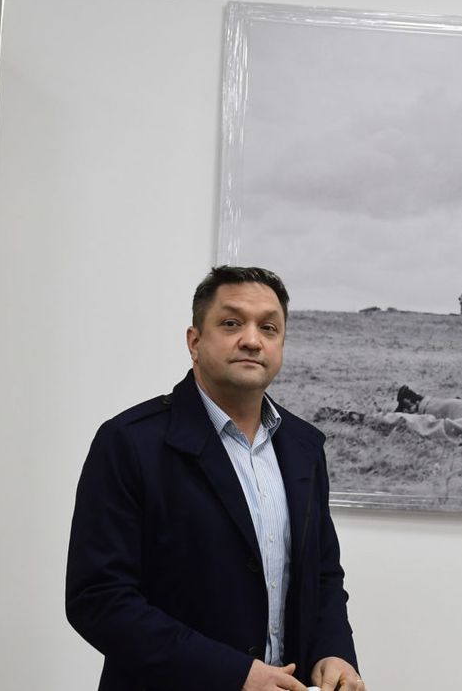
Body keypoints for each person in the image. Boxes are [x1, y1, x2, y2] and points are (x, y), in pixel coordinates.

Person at [66, 266, 363, 691]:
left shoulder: (304, 448)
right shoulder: (130, 442)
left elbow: (323, 575)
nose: (252, 340)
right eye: (231, 323)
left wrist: (334, 650)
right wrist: (233, 675)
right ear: (194, 341)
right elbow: (98, 599)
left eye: (269, 328)